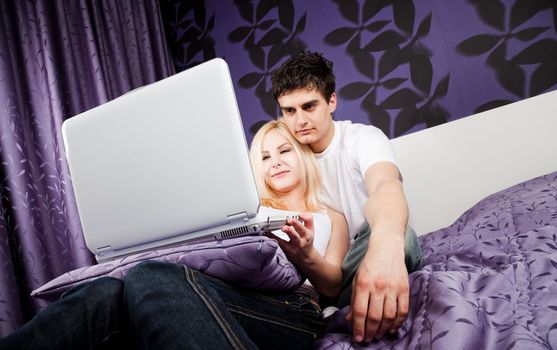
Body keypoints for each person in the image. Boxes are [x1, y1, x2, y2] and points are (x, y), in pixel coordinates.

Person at [0, 120, 349, 350]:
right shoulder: (247, 210)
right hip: (224, 291)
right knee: (105, 291)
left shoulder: (330, 216)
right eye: (265, 156)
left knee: (150, 278)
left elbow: (333, 285)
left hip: (295, 308)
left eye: (284, 150)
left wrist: (305, 256)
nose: (275, 161)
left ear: (302, 154)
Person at [271, 51, 422, 343]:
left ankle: (338, 308)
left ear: (331, 102)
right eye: (289, 111)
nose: (299, 120)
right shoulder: (285, 158)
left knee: (403, 237)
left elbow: (386, 187)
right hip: (321, 273)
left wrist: (385, 246)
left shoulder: (362, 139)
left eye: (309, 106)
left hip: (372, 249)